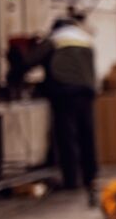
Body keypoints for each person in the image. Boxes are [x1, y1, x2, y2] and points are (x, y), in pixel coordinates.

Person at [23, 12, 98, 194]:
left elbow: (29, 61)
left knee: (67, 136)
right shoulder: (85, 39)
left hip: (65, 92)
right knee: (86, 134)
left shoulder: (55, 39)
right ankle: (91, 177)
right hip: (87, 91)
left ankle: (71, 180)